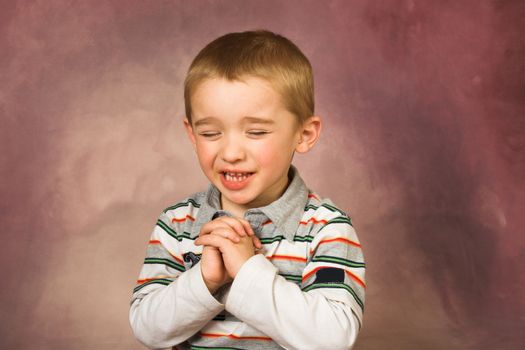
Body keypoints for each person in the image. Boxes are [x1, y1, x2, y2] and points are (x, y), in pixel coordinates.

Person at [129, 29, 365, 350]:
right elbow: (148, 330)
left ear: (304, 134)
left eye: (255, 131)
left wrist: (247, 271)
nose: (231, 153)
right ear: (191, 133)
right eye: (211, 133)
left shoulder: (327, 228)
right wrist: (205, 280)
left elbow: (333, 339)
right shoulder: (177, 223)